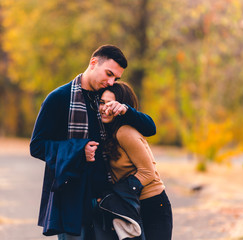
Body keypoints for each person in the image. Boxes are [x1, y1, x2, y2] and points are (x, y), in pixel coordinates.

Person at [29, 44, 157, 239]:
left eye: (116, 78)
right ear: (93, 63)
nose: (111, 81)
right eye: (108, 73)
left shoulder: (106, 97)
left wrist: (126, 110)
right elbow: (36, 147)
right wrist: (79, 149)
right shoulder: (58, 99)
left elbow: (150, 128)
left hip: (107, 200)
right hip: (71, 198)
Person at [98, 81, 173, 240]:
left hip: (153, 205)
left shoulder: (124, 132)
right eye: (102, 102)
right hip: (130, 205)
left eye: (110, 104)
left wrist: (114, 193)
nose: (105, 108)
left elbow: (148, 173)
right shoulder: (107, 133)